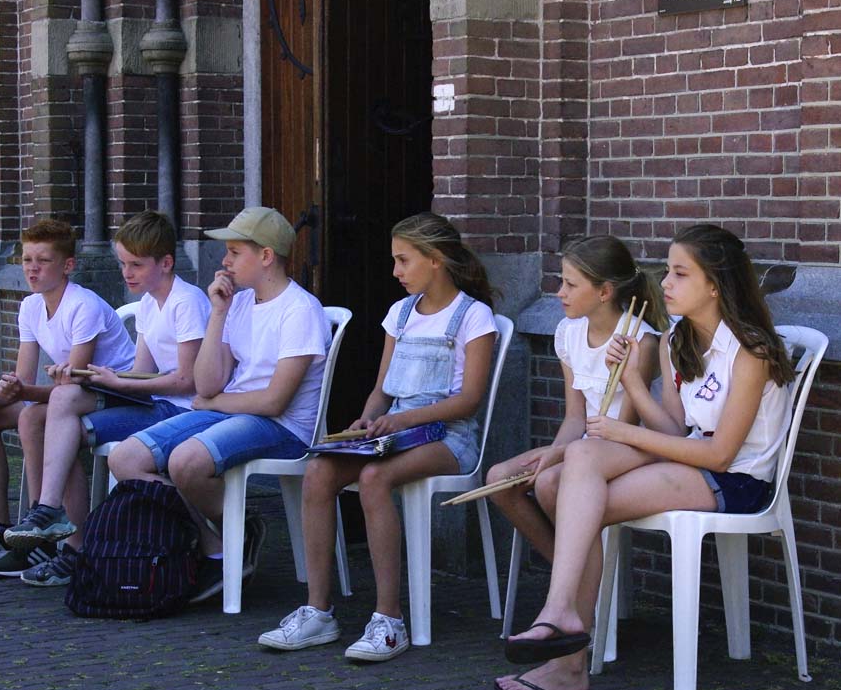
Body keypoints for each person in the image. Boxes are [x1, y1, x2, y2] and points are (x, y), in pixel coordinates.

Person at [495, 224, 795, 690]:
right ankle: (563, 630)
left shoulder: (750, 351)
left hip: (736, 480)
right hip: (690, 461)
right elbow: (674, 430)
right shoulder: (678, 340)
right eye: (668, 272)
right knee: (563, 475)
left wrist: (625, 432)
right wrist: (633, 380)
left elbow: (720, 454)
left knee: (574, 492)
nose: (665, 283)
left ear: (714, 285)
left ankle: (565, 641)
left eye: (680, 273)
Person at [258, 212, 498, 662]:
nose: (395, 271)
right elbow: (382, 391)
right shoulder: (399, 314)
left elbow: (468, 402)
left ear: (436, 259)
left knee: (374, 478)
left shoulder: (473, 316)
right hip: (394, 434)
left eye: (403, 260)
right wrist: (364, 423)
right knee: (320, 470)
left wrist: (402, 422)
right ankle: (318, 611)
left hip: (450, 438)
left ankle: (389, 619)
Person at [107, 206, 330, 602]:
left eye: (234, 252)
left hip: (284, 428)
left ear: (265, 256)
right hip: (230, 412)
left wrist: (218, 401)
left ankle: (230, 535)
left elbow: (275, 401)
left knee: (186, 462)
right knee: (125, 459)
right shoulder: (239, 304)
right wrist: (219, 313)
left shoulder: (300, 309)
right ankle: (216, 540)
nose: (225, 261)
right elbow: (207, 382)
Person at [13, 211, 211, 587]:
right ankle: (68, 536)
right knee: (54, 414)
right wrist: (105, 379)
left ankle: (54, 517)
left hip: (181, 411)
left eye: (136, 264)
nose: (126, 273)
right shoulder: (150, 303)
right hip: (155, 404)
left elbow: (188, 382)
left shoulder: (187, 301)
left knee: (63, 406)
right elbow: (142, 372)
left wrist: (114, 382)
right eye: (122, 264)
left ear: (166, 263)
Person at [484, 236, 667, 639]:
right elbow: (574, 418)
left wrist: (561, 457)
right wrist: (555, 451)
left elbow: (624, 429)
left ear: (604, 292)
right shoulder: (568, 333)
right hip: (585, 444)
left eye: (569, 284)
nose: (559, 292)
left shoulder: (640, 339)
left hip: (627, 446)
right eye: (560, 282)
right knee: (499, 478)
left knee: (550, 481)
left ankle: (575, 594)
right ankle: (576, 579)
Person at [0, 219, 136, 577]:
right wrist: (2, 394)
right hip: (69, 396)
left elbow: (73, 384)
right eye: (27, 260)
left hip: (111, 395)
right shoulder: (30, 307)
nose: (32, 268)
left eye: (43, 260)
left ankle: (44, 537)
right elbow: (26, 381)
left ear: (67, 265)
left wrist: (20, 392)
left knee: (34, 417)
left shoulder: (83, 305)